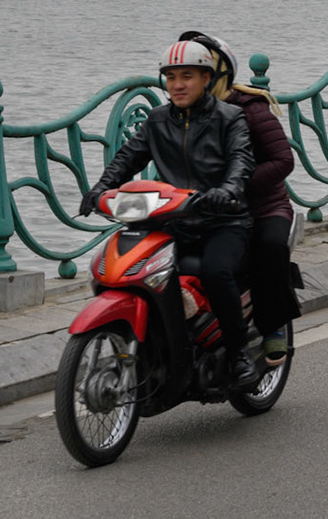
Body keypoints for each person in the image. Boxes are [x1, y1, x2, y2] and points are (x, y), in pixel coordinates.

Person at [82, 39, 261, 389]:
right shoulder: (158, 119)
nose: (178, 85)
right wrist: (100, 189)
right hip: (173, 219)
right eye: (171, 77)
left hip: (223, 220)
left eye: (188, 76)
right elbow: (128, 157)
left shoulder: (230, 117)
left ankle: (238, 353)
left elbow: (242, 160)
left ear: (207, 79)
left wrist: (227, 191)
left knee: (215, 270)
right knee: (132, 266)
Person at [186, 31, 302, 368]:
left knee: (269, 247)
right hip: (209, 208)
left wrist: (237, 185)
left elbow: (283, 160)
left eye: (202, 70)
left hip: (263, 207)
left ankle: (271, 326)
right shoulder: (182, 112)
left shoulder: (250, 109)